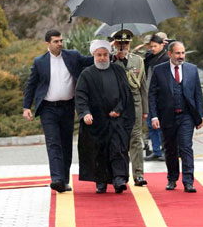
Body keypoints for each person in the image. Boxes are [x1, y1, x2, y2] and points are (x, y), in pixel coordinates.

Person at [23, 29, 93, 193]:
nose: (60, 44)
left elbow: (90, 60)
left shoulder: (72, 56)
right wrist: (26, 106)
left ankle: (64, 180)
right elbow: (31, 85)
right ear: (48, 43)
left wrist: (107, 51)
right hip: (48, 109)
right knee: (53, 143)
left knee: (66, 144)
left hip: (68, 107)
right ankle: (57, 179)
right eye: (56, 41)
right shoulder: (39, 62)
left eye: (61, 40)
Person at [75, 39, 136, 194]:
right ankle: (101, 181)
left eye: (105, 54)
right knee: (99, 152)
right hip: (97, 121)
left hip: (116, 119)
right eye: (99, 55)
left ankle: (119, 179)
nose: (102, 58)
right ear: (93, 55)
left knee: (118, 149)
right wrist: (85, 113)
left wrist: (118, 109)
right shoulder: (86, 74)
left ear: (110, 55)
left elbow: (125, 94)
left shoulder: (118, 70)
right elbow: (81, 96)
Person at [148, 41, 203, 193]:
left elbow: (198, 94)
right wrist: (153, 116)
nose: (181, 56)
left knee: (186, 147)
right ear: (170, 54)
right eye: (178, 53)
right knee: (170, 148)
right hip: (167, 116)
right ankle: (172, 179)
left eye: (183, 53)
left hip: (186, 116)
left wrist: (200, 117)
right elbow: (152, 95)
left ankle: (188, 181)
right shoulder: (159, 70)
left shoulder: (192, 70)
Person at [110, 29, 148, 187]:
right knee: (119, 141)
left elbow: (143, 86)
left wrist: (145, 109)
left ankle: (138, 174)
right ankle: (120, 175)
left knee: (136, 139)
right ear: (115, 43)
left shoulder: (138, 61)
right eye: (119, 43)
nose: (123, 46)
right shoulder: (110, 61)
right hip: (117, 105)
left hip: (135, 104)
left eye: (126, 43)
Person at [143, 34, 169, 161]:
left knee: (162, 125)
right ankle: (156, 150)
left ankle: (165, 150)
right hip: (149, 95)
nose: (152, 48)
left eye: (155, 46)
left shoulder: (166, 58)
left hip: (162, 97)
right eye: (151, 46)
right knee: (151, 125)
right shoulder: (149, 58)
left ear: (162, 45)